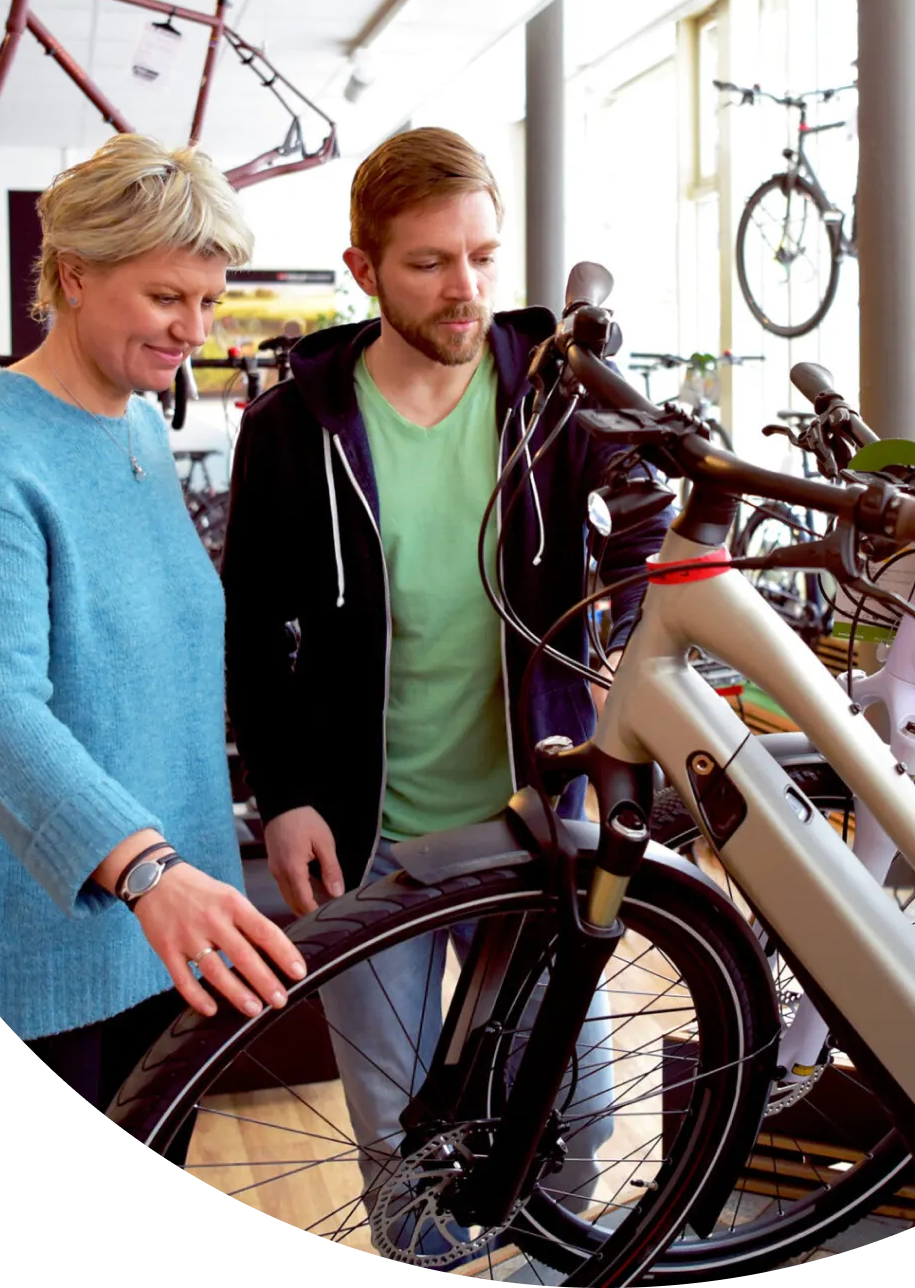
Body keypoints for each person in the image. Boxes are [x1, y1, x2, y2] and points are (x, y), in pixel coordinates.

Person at [221, 126, 672, 1242]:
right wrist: (280, 797)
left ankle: (556, 1278)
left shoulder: (553, 396)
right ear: (364, 269)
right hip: (365, 836)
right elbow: (250, 631)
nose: (464, 288)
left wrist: (622, 618)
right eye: (429, 262)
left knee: (576, 1110)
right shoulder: (294, 428)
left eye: (482, 254)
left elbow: (649, 510)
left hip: (535, 823)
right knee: (399, 1141)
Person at [0, 132, 305, 1126]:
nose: (193, 327)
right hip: (36, 957)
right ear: (72, 274)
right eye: (168, 297)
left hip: (165, 931)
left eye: (207, 299)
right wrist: (149, 869)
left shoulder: (139, 425)